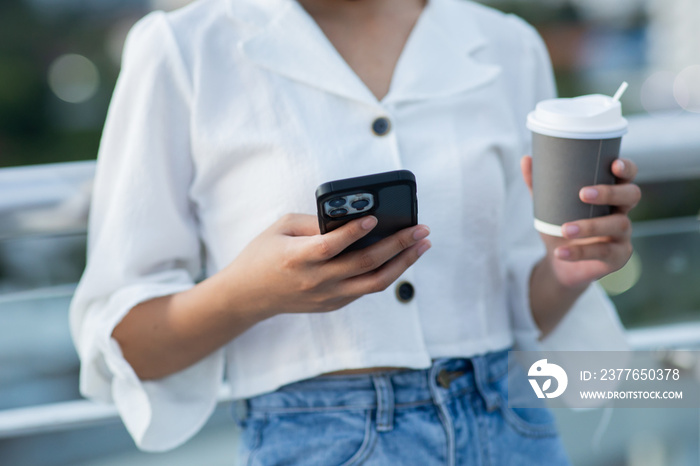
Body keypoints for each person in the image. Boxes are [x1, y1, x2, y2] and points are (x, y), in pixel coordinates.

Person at [69, 0, 641, 463]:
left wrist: (566, 272)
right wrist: (248, 295)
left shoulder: (506, 43)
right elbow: (125, 343)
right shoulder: (184, 49)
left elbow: (516, 316)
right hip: (318, 439)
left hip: (511, 423)